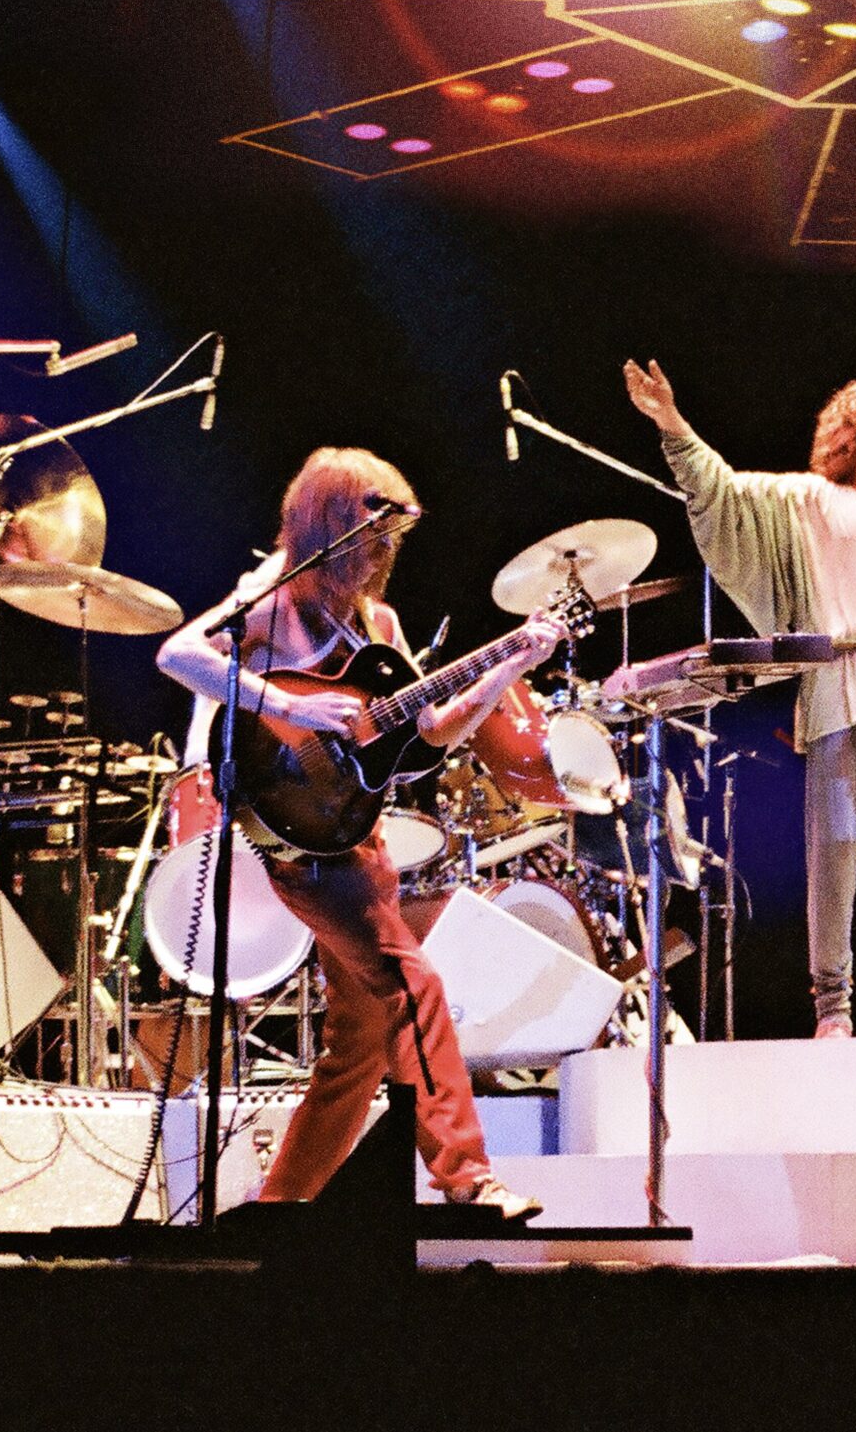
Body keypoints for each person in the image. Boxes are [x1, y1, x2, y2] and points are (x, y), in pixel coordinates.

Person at [156, 447, 558, 1220]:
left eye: (392, 534)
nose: (383, 548)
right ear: (328, 523)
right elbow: (178, 655)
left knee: (361, 1041)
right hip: (301, 841)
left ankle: (281, 1200)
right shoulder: (271, 601)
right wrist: (300, 708)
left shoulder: (379, 623)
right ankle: (468, 1176)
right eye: (371, 528)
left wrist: (510, 664)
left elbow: (430, 733)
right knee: (414, 983)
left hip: (358, 836)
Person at [623, 360, 856, 1038]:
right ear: (848, 428)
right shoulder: (808, 499)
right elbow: (724, 493)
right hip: (837, 676)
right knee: (836, 843)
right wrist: (671, 422)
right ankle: (833, 1007)